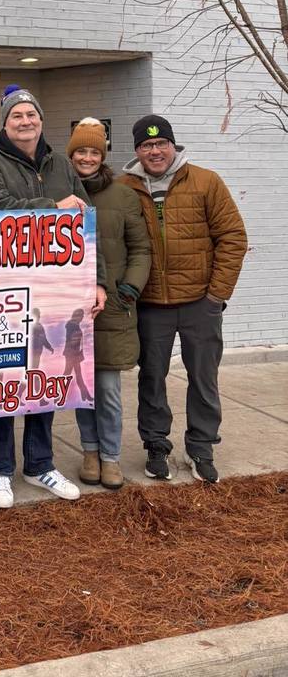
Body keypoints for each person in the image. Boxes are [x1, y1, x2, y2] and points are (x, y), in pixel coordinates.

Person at [0, 88, 107, 509]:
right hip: (5, 290)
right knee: (1, 381)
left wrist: (97, 281)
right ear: (5, 123)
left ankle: (39, 463)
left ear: (42, 120)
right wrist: (51, 205)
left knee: (42, 379)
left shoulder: (62, 165)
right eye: (17, 115)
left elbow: (85, 226)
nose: (25, 121)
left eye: (31, 114)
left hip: (54, 289)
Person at [120, 114, 247, 483]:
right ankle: (156, 446)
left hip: (199, 304)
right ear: (138, 151)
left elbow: (233, 238)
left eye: (161, 144)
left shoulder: (205, 181)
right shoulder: (125, 187)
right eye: (146, 145)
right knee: (152, 378)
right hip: (152, 306)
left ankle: (201, 447)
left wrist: (216, 296)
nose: (155, 151)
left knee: (203, 378)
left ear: (173, 145)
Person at [66, 118, 151, 490]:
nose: (87, 157)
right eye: (81, 151)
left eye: (93, 151)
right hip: (71, 310)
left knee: (109, 390)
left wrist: (128, 288)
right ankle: (89, 450)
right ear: (71, 155)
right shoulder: (58, 193)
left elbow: (141, 248)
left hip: (112, 307)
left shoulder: (123, 195)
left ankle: (111, 457)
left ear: (103, 155)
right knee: (82, 391)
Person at [62, 309, 92, 403]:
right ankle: (58, 395)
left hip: (74, 353)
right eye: (81, 315)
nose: (83, 317)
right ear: (77, 316)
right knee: (67, 374)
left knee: (77, 375)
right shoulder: (72, 325)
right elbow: (72, 340)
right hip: (72, 354)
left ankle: (85, 394)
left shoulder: (73, 325)